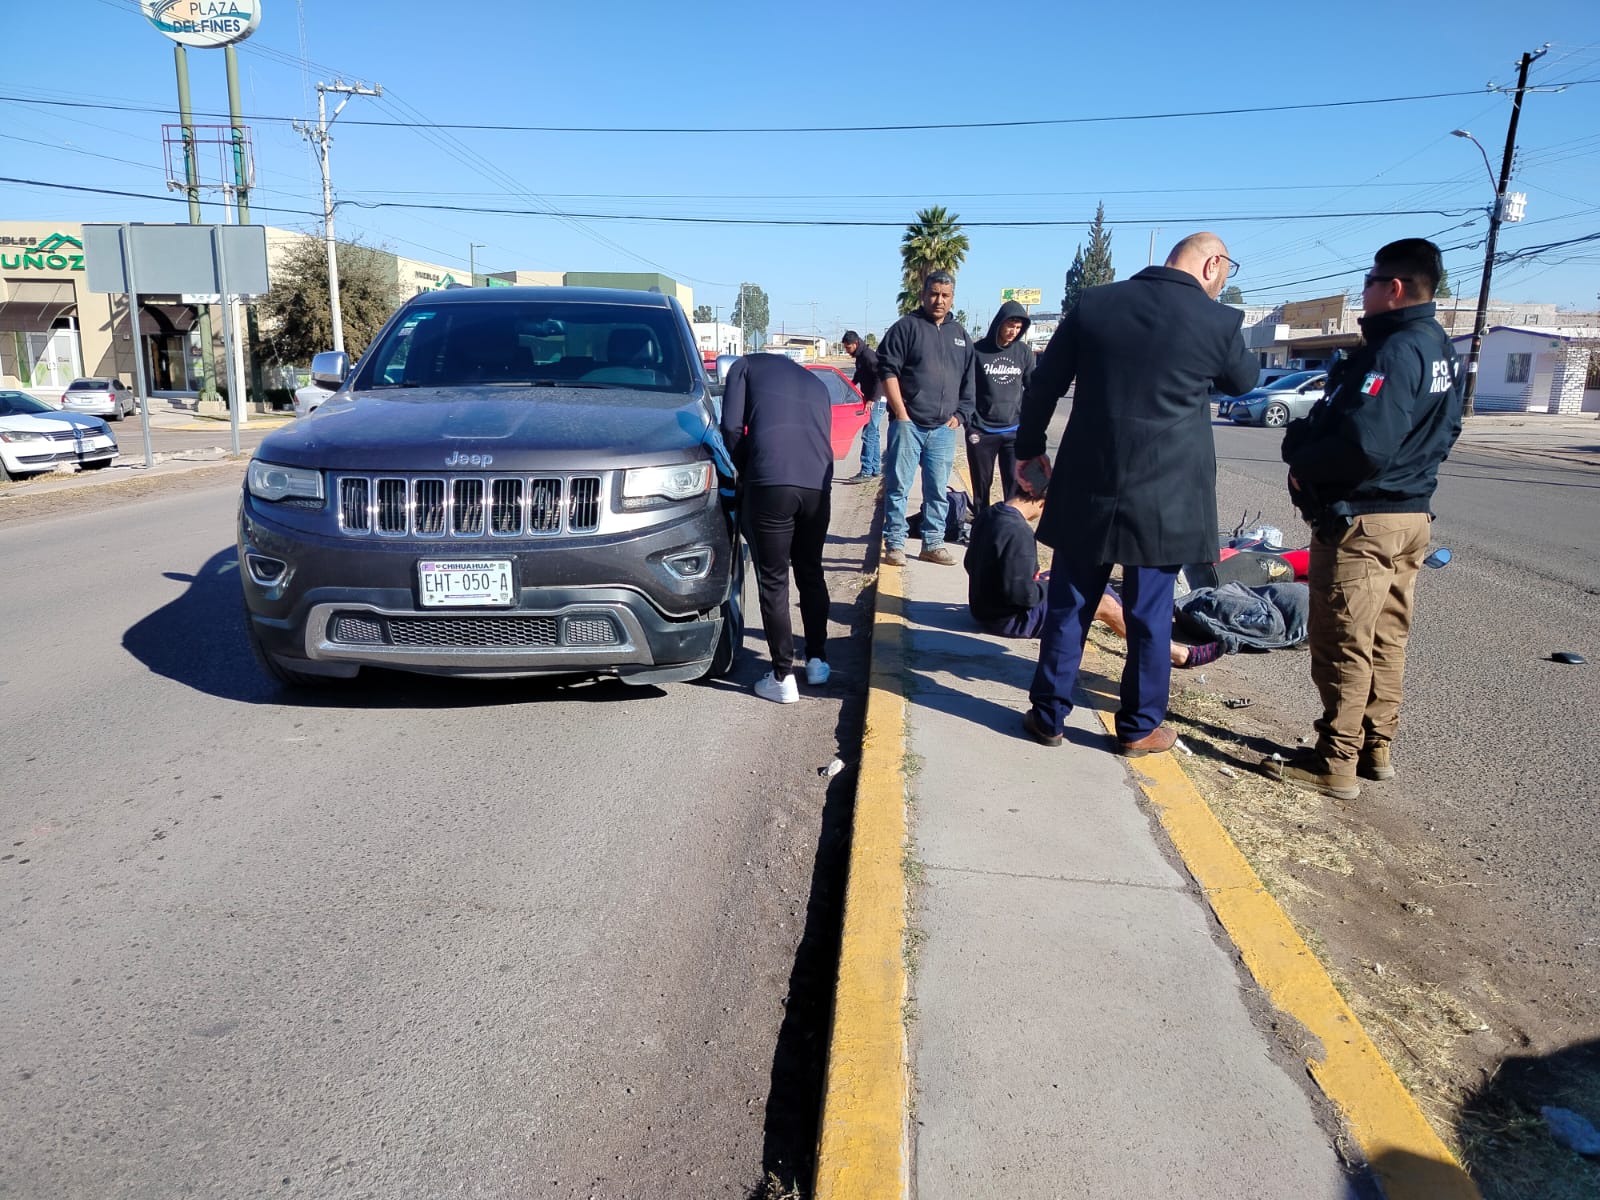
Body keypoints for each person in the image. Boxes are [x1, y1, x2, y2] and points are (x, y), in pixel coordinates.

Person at [1014, 232, 1256, 753]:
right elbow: (1243, 380)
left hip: (1088, 483)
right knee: (1149, 612)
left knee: (1070, 602)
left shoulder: (1097, 303)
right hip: (1167, 498)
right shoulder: (1217, 320)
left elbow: (1044, 384)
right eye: (1226, 272)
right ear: (1214, 264)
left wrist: (1029, 448)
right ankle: (1138, 728)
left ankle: (1048, 715)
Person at [1263, 238, 1463, 799]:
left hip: (1365, 520)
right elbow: (1448, 430)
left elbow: (1364, 444)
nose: (1364, 292)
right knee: (1385, 641)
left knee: (1342, 641)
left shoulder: (1396, 352)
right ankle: (1377, 749)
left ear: (1394, 289)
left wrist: (1304, 463)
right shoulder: (1440, 349)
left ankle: (1335, 762)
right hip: (1410, 517)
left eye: (1371, 281)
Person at [964, 492, 1220, 667]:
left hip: (985, 608)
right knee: (1101, 603)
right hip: (1007, 620)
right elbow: (1024, 595)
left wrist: (1035, 579)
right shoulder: (1019, 532)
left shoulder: (992, 514)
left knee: (1098, 590)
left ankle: (1141, 630)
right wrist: (1046, 585)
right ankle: (1177, 654)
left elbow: (969, 564)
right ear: (1041, 501)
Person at [719, 352, 835, 704]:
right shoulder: (816, 383)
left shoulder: (744, 366)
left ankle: (783, 675)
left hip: (771, 482)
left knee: (773, 580)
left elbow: (730, 428)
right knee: (811, 571)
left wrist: (746, 470)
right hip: (818, 484)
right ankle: (817, 661)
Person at [876, 270, 976, 567]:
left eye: (945, 296)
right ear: (923, 294)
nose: (939, 300)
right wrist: (902, 415)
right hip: (909, 426)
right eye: (934, 294)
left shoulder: (960, 335)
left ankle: (932, 543)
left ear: (952, 298)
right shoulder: (906, 327)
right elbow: (887, 371)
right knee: (899, 486)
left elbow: (969, 380)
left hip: (943, 429)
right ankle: (895, 543)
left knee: (937, 489)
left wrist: (960, 415)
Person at [967, 300, 1034, 520]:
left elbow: (1033, 387)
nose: (1013, 331)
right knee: (982, 485)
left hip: (1013, 431)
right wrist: (970, 421)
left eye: (1018, 327)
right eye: (1010, 325)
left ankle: (1009, 530)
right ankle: (981, 530)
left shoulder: (1024, 352)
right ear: (999, 323)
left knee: (1015, 486)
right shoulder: (978, 351)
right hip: (982, 430)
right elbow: (967, 388)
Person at [839, 331, 884, 483]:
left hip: (877, 399)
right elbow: (858, 375)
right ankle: (875, 469)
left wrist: (872, 400)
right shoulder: (860, 356)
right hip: (872, 398)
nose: (847, 350)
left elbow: (880, 377)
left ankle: (866, 471)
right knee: (874, 433)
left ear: (856, 344)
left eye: (848, 347)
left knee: (868, 433)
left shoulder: (868, 356)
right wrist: (849, 388)